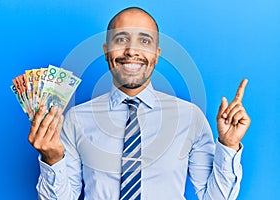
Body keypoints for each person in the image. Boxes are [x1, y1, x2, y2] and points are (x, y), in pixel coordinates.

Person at [28, 7, 251, 200]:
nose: (132, 50)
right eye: (121, 39)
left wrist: (228, 146)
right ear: (106, 51)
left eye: (144, 41)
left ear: (157, 54)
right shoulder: (77, 119)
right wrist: (52, 158)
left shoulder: (190, 118)